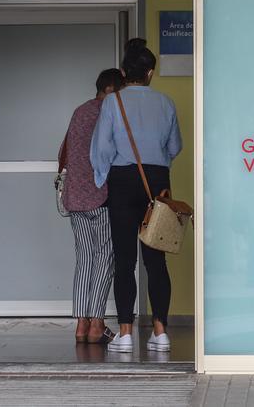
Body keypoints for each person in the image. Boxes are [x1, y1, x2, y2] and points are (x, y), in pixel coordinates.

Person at [91, 38, 182, 354]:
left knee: (124, 259)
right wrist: (157, 168)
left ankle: (126, 333)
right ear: (151, 73)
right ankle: (160, 331)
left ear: (122, 71)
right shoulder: (166, 103)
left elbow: (101, 149)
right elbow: (174, 148)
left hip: (122, 180)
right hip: (157, 182)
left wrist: (104, 179)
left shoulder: (112, 103)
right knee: (156, 259)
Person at [59, 68, 124, 345]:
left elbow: (64, 151)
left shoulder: (79, 111)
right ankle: (97, 323)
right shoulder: (111, 112)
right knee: (105, 257)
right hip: (101, 197)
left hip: (75, 198)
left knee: (84, 259)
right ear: (114, 89)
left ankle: (80, 324)